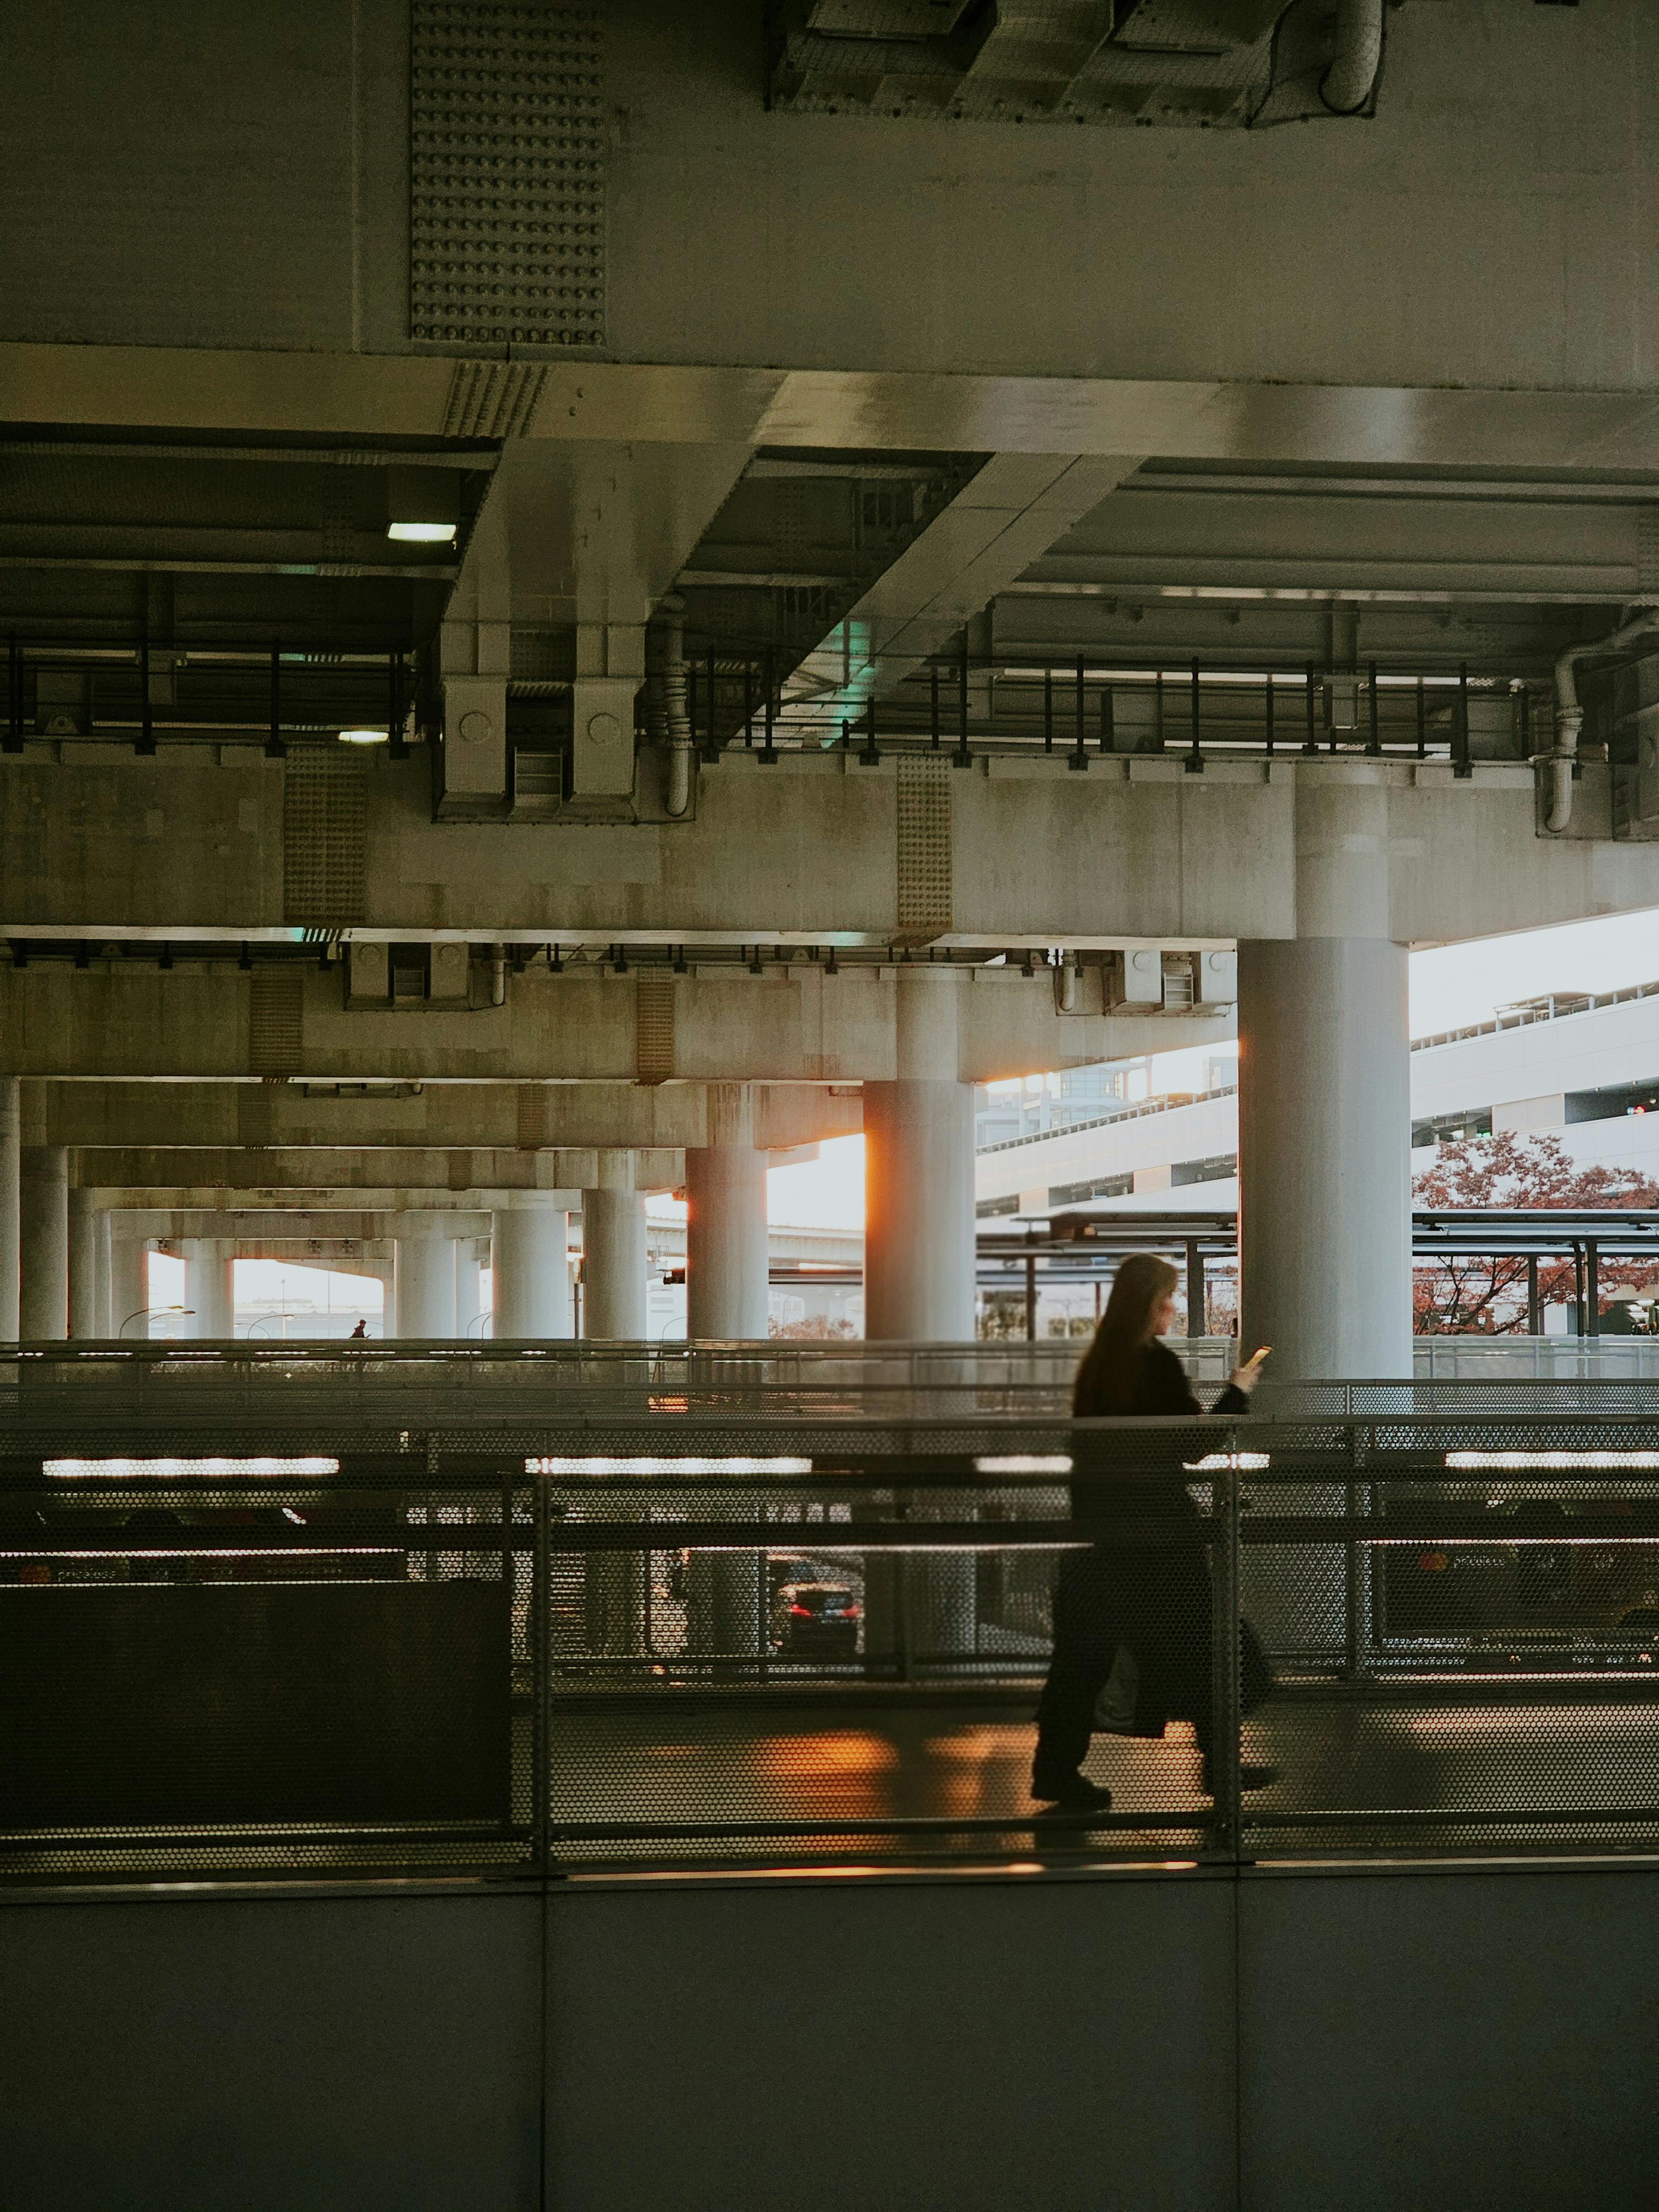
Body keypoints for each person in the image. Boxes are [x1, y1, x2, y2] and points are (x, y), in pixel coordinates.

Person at [1030, 1253, 1271, 1813]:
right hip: (1162, 1541)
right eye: (1167, 1297)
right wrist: (1238, 1389)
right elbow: (1191, 1446)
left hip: (1102, 1537)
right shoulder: (1155, 1364)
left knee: (1083, 1660)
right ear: (1148, 1304)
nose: (1172, 1307)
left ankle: (1056, 1769)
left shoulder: (1098, 1364)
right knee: (1217, 1648)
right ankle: (1220, 1765)